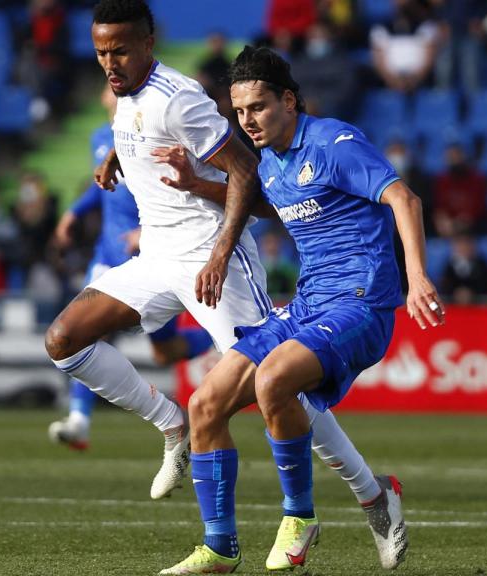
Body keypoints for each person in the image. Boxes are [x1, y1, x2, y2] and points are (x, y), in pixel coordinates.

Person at [46, 1, 387, 530]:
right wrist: (116, 155)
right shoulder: (126, 96)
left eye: (119, 51)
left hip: (213, 260)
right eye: (100, 53)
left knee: (282, 383)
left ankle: (371, 492)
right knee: (64, 340)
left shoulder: (179, 98)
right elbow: (142, 129)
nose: (109, 63)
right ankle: (171, 424)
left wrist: (222, 252)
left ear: (148, 44)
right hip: (156, 255)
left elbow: (246, 173)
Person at [159, 46, 443, 575]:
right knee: (204, 405)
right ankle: (220, 547)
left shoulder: (334, 142)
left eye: (259, 108)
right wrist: (197, 184)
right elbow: (271, 205)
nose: (248, 121)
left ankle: (299, 517)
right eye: (239, 112)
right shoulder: (270, 161)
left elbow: (404, 199)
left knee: (274, 381)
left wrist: (417, 278)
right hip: (310, 303)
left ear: (288, 100)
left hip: (362, 304)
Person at [47, 86, 217, 450]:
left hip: (149, 257)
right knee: (82, 334)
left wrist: (148, 228)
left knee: (164, 351)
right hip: (107, 256)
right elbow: (103, 185)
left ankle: (222, 339)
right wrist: (73, 212)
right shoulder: (99, 136)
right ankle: (79, 419)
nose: (115, 88)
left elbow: (166, 185)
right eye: (108, 85)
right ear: (103, 97)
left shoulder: (150, 131)